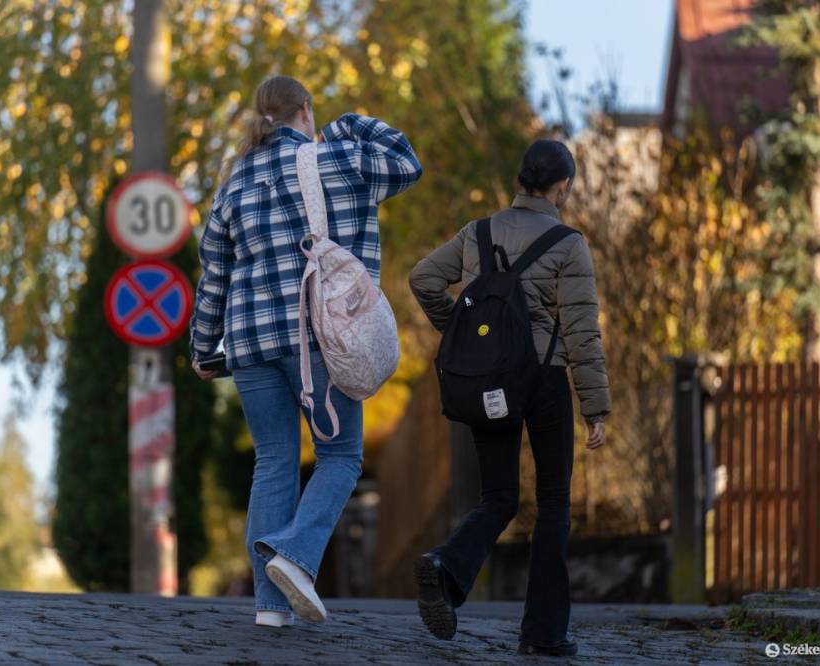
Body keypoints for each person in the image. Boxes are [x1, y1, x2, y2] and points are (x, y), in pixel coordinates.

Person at [189, 75, 422, 627]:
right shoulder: (336, 158)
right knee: (339, 455)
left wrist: (203, 349)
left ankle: (270, 611)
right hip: (320, 338)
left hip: (248, 344)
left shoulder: (232, 186)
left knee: (273, 462)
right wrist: (346, 124)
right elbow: (405, 160)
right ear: (306, 110)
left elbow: (213, 279)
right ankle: (294, 557)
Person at [408, 139, 609, 656]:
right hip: (542, 381)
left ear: (522, 180)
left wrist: (462, 335)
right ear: (561, 187)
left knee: (498, 497)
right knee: (554, 502)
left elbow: (424, 278)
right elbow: (582, 334)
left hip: (487, 382)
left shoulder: (477, 233)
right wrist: (595, 408)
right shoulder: (568, 243)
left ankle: (446, 568)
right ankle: (543, 633)